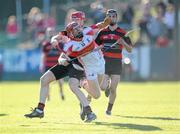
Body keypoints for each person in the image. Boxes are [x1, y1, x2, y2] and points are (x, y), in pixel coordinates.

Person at [24, 11, 110, 122]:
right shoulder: (69, 35)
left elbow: (99, 26)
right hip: (71, 62)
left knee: (78, 87)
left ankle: (87, 109)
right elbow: (60, 44)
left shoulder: (86, 30)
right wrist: (55, 43)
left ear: (82, 20)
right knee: (44, 79)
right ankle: (40, 110)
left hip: (80, 66)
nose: (76, 24)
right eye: (73, 19)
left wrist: (105, 23)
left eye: (78, 20)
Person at [95, 9, 132, 115]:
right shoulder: (102, 32)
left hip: (116, 63)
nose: (111, 18)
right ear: (106, 18)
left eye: (113, 16)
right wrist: (99, 48)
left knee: (113, 89)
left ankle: (109, 110)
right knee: (102, 87)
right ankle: (106, 87)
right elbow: (94, 46)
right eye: (109, 16)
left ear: (116, 17)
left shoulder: (122, 33)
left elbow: (130, 49)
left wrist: (123, 42)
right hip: (104, 63)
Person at [39, 27, 65, 101]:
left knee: (60, 81)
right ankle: (48, 95)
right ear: (47, 33)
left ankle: (61, 93)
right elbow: (43, 55)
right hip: (48, 65)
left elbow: (63, 53)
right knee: (47, 82)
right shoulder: (45, 44)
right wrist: (41, 64)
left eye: (51, 32)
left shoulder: (59, 44)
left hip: (57, 65)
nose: (50, 33)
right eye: (49, 32)